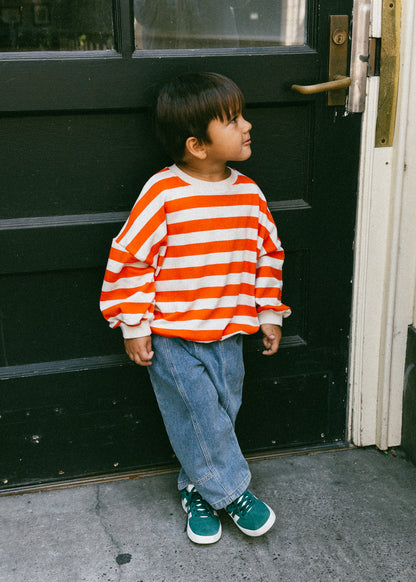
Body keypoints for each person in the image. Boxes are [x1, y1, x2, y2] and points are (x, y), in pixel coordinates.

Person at [100, 72, 291, 544]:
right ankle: (234, 492)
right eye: (232, 120)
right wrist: (132, 324)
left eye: (242, 115)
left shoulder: (248, 194)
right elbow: (132, 257)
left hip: (229, 330)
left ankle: (197, 491)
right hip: (172, 332)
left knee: (220, 414)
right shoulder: (165, 193)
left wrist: (268, 313)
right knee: (196, 411)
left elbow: (268, 254)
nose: (247, 125)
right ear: (197, 145)